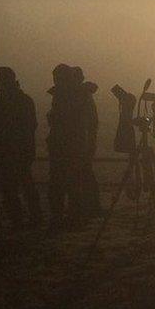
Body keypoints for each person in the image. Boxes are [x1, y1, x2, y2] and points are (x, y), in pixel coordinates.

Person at [0, 66, 43, 229]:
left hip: (14, 150)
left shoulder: (15, 100)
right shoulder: (22, 99)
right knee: (19, 186)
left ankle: (23, 218)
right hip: (13, 150)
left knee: (17, 186)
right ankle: (28, 217)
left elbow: (28, 126)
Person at [47, 64, 98, 230]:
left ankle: (72, 216)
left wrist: (90, 144)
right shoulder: (72, 94)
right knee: (61, 184)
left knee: (71, 184)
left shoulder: (78, 95)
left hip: (72, 146)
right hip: (63, 145)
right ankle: (63, 216)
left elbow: (90, 123)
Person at [73, 67, 102, 217]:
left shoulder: (81, 97)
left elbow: (86, 122)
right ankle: (91, 206)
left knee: (83, 175)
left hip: (82, 142)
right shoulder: (85, 96)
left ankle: (90, 207)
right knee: (85, 175)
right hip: (85, 141)